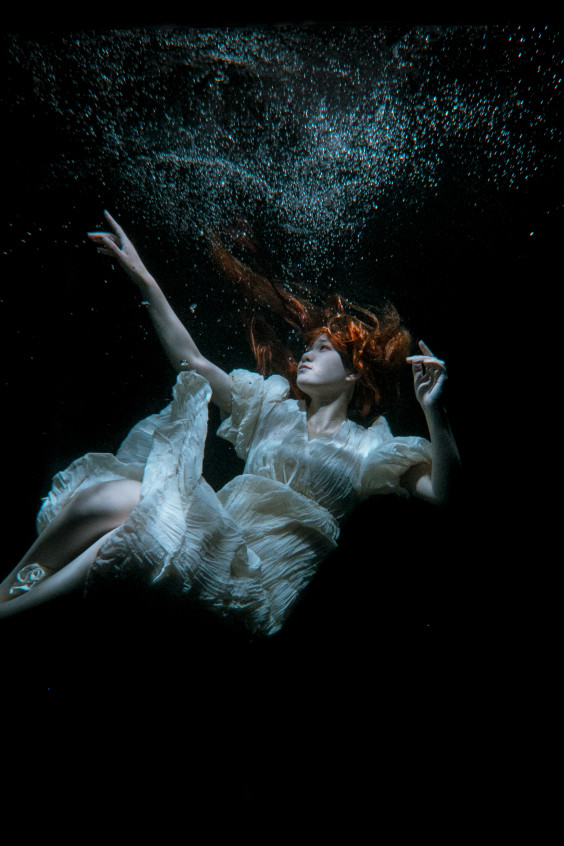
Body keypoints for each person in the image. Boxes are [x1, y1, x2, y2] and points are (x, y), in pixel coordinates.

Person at [0, 212, 461, 633]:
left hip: (258, 588)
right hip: (217, 539)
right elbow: (192, 360)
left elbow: (443, 494)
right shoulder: (272, 408)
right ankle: (7, 594)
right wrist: (144, 279)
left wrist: (434, 410)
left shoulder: (370, 448)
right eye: (308, 346)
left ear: (353, 374)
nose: (307, 353)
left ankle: (6, 614)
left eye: (324, 350)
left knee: (131, 537)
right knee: (98, 500)